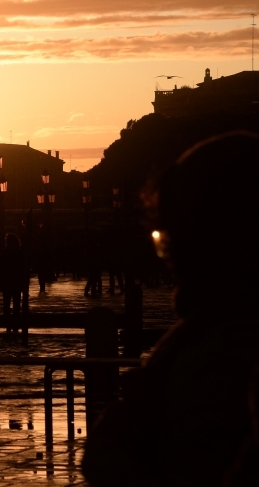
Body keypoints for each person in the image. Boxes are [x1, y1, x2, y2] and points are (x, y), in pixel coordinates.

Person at [82, 132, 259, 486]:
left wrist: (110, 452)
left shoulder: (217, 357)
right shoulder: (207, 337)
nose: (169, 262)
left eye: (169, 240)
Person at [0, 234, 27, 333]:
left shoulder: (4, 253)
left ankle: (8, 323)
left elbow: (0, 269)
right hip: (17, 282)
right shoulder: (19, 253)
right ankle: (16, 323)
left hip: (7, 281)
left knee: (6, 303)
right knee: (17, 303)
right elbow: (23, 269)